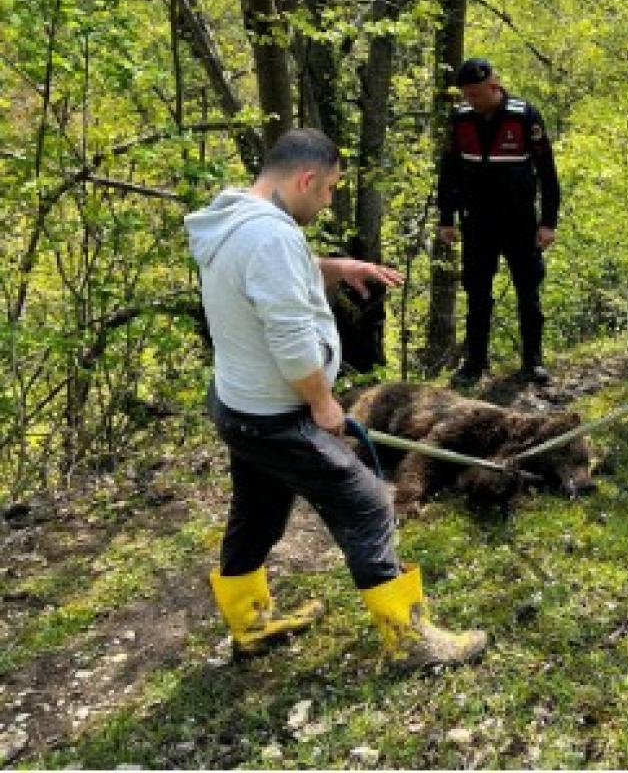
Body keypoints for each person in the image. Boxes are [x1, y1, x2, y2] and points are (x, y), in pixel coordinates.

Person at [185, 128, 487, 667]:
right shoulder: (271, 238)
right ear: (305, 178)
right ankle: (409, 641)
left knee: (258, 511)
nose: (327, 202)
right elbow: (292, 342)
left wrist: (332, 268)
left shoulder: (232, 215)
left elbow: (258, 275)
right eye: (327, 190)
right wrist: (324, 403)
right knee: (369, 501)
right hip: (276, 416)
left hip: (239, 405)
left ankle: (248, 624)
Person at [437, 57, 561, 386]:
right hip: (477, 221)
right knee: (477, 293)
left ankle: (532, 361)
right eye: (466, 95)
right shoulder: (460, 119)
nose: (470, 101)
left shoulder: (524, 116)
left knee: (528, 291)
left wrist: (548, 222)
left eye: (476, 94)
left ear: (494, 87)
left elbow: (547, 173)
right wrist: (445, 217)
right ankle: (475, 361)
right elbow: (447, 170)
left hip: (519, 221)